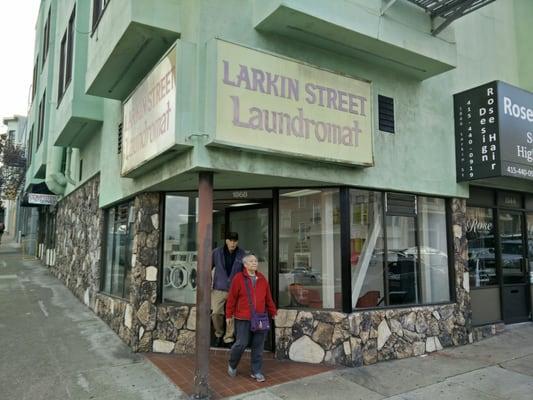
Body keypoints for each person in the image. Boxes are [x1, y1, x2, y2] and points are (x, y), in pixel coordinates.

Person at [226, 254, 277, 382]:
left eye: (256, 260)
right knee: (241, 343)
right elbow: (231, 298)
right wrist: (228, 314)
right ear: (245, 264)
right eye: (251, 261)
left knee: (258, 347)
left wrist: (273, 311)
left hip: (260, 318)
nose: (255, 262)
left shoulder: (262, 279)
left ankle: (256, 371)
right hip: (243, 318)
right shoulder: (238, 278)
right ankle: (232, 363)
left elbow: (268, 298)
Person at [211, 231, 245, 346]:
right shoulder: (216, 253)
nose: (233, 243)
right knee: (216, 313)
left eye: (235, 241)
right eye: (230, 241)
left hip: (235, 290)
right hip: (219, 288)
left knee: (232, 315)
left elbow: (245, 271)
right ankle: (219, 334)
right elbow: (208, 267)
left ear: (237, 242)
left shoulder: (242, 254)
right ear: (226, 241)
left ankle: (229, 338)